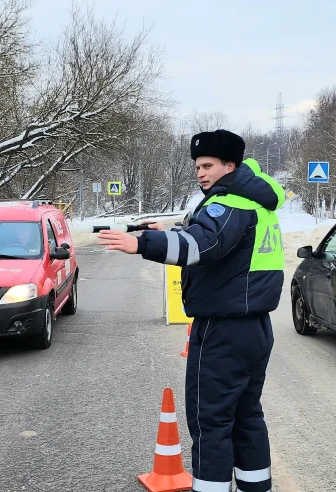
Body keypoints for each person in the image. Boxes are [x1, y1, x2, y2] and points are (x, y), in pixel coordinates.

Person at [98, 129, 285, 492]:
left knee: (211, 422)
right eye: (197, 166)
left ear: (230, 165)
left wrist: (141, 243)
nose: (200, 173)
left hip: (223, 330)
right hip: (255, 327)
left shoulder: (231, 202)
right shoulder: (254, 201)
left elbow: (202, 244)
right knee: (247, 417)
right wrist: (169, 229)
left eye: (208, 165)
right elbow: (220, 242)